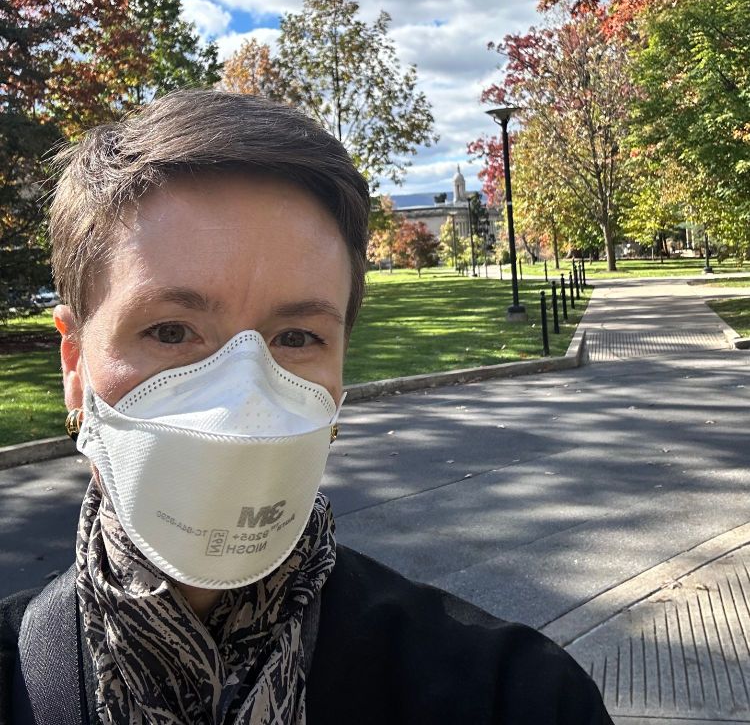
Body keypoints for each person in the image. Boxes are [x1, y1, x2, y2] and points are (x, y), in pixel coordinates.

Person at [0, 90, 613, 724]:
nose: (240, 404)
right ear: (74, 364)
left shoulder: (514, 697)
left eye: (296, 338)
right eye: (171, 331)